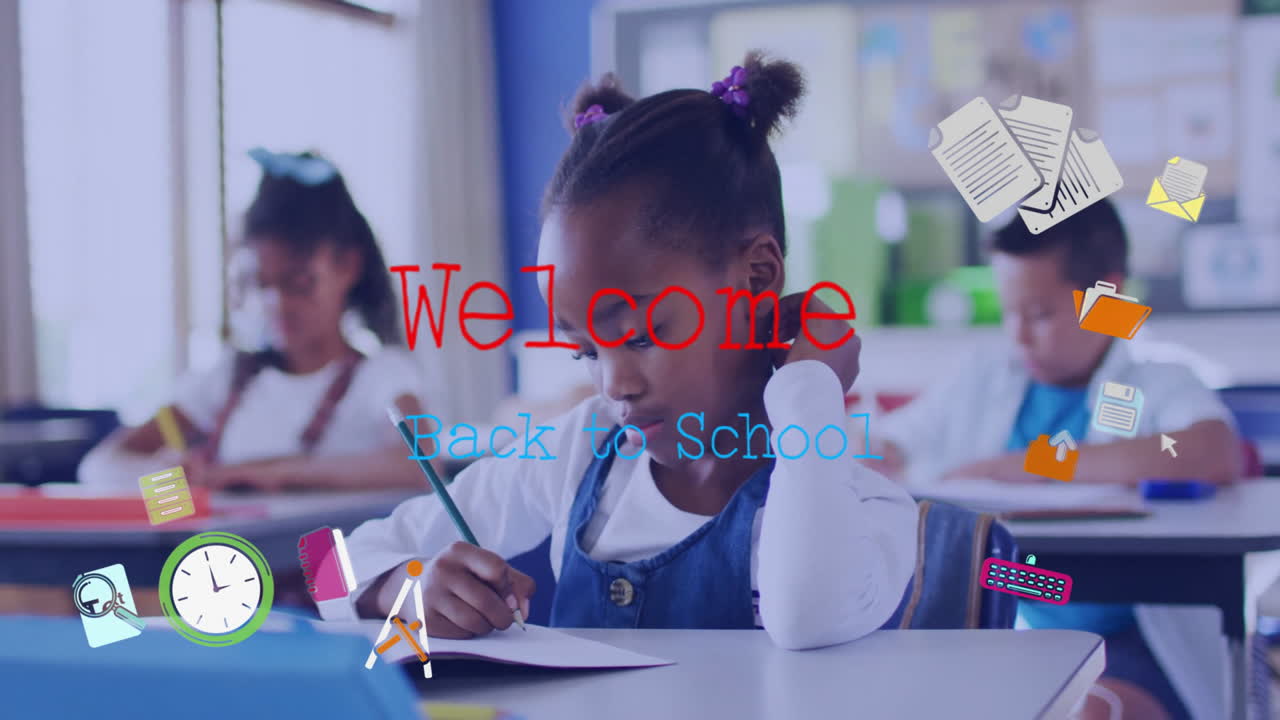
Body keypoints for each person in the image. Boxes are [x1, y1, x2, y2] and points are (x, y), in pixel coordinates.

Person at [323, 53, 917, 650]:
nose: (615, 384)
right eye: (586, 351)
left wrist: (809, 386)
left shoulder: (849, 487)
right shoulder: (580, 452)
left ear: (758, 275)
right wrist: (402, 587)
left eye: (640, 336)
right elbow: (321, 566)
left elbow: (806, 614)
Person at [873, 199, 1242, 720]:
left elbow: (1210, 449)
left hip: (1131, 641)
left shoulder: (1155, 378)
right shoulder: (988, 374)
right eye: (1010, 312)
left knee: (1086, 712)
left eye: (1040, 314)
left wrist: (1032, 464)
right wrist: (871, 451)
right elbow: (895, 438)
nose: (1019, 335)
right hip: (1020, 621)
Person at [79, 149, 434, 492]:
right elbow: (101, 464)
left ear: (348, 266)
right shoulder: (226, 381)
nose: (277, 304)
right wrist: (165, 477)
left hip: (330, 555)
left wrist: (264, 474)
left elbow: (421, 463)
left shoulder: (383, 376)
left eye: (299, 283)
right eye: (261, 285)